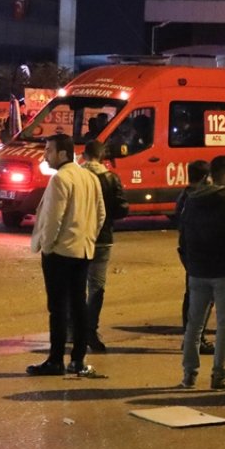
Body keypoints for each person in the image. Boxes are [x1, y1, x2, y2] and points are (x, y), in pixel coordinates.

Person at [27, 134, 106, 377]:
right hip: (82, 251)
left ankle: (55, 360)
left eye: (49, 150)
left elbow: (53, 219)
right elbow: (100, 214)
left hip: (60, 253)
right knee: (79, 306)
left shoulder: (61, 179)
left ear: (62, 153)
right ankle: (78, 360)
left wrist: (48, 247)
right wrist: (88, 237)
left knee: (58, 308)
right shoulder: (89, 177)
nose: (45, 155)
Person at [178, 155, 225, 390]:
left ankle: (189, 374)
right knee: (224, 325)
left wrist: (191, 265)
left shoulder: (193, 200)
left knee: (194, 324)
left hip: (198, 271)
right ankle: (219, 374)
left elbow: (184, 239)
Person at [80, 140, 129, 353]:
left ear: (84, 154)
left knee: (76, 285)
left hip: (78, 238)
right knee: (96, 286)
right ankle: (91, 328)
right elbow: (121, 208)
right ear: (102, 157)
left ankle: (74, 328)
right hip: (103, 238)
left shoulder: (76, 177)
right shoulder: (110, 178)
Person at [176, 160, 215, 355]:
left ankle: (191, 337)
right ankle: (195, 339)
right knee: (201, 296)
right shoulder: (198, 197)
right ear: (206, 177)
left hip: (188, 250)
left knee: (192, 294)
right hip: (198, 252)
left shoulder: (185, 195)